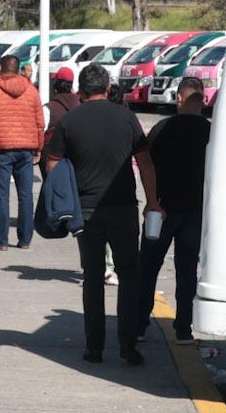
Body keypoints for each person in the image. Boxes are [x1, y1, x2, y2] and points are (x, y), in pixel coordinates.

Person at [57, 63, 161, 365]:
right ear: (109, 89)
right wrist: (152, 201)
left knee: (92, 278)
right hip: (123, 209)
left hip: (85, 211)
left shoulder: (69, 121)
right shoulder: (127, 118)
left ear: (80, 90)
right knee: (129, 276)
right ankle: (128, 346)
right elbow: (145, 163)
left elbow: (52, 163)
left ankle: (94, 348)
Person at [141, 81, 212, 332]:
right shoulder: (210, 132)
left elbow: (145, 162)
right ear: (202, 101)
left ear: (179, 98)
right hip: (194, 211)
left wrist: (151, 200)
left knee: (149, 266)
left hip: (161, 209)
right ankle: (183, 326)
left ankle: (139, 323)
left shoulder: (162, 127)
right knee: (187, 269)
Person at [0, 53, 46, 252]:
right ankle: (25, 239)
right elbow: (40, 123)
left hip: (2, 149)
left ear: (0, 68)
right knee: (25, 196)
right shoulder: (31, 90)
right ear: (18, 69)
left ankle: (0, 239)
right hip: (25, 149)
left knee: (1, 196)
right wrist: (38, 148)